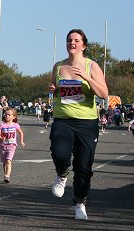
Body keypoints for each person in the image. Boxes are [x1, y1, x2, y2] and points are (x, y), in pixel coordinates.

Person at [48, 29, 108, 220]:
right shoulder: (58, 67)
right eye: (69, 40)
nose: (72, 43)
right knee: (59, 152)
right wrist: (53, 89)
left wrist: (86, 77)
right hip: (63, 118)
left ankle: (79, 202)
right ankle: (62, 173)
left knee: (84, 167)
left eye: (76, 40)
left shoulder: (91, 66)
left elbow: (104, 94)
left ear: (83, 45)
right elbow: (54, 90)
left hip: (86, 122)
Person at [0, 108, 25, 183]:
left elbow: (20, 132)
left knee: (8, 161)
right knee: (4, 162)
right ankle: (5, 174)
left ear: (14, 117)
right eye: (6, 114)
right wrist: (0, 138)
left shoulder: (15, 125)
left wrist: (21, 141)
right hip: (3, 146)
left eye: (9, 115)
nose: (7, 116)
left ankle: (7, 176)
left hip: (12, 146)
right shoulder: (2, 125)